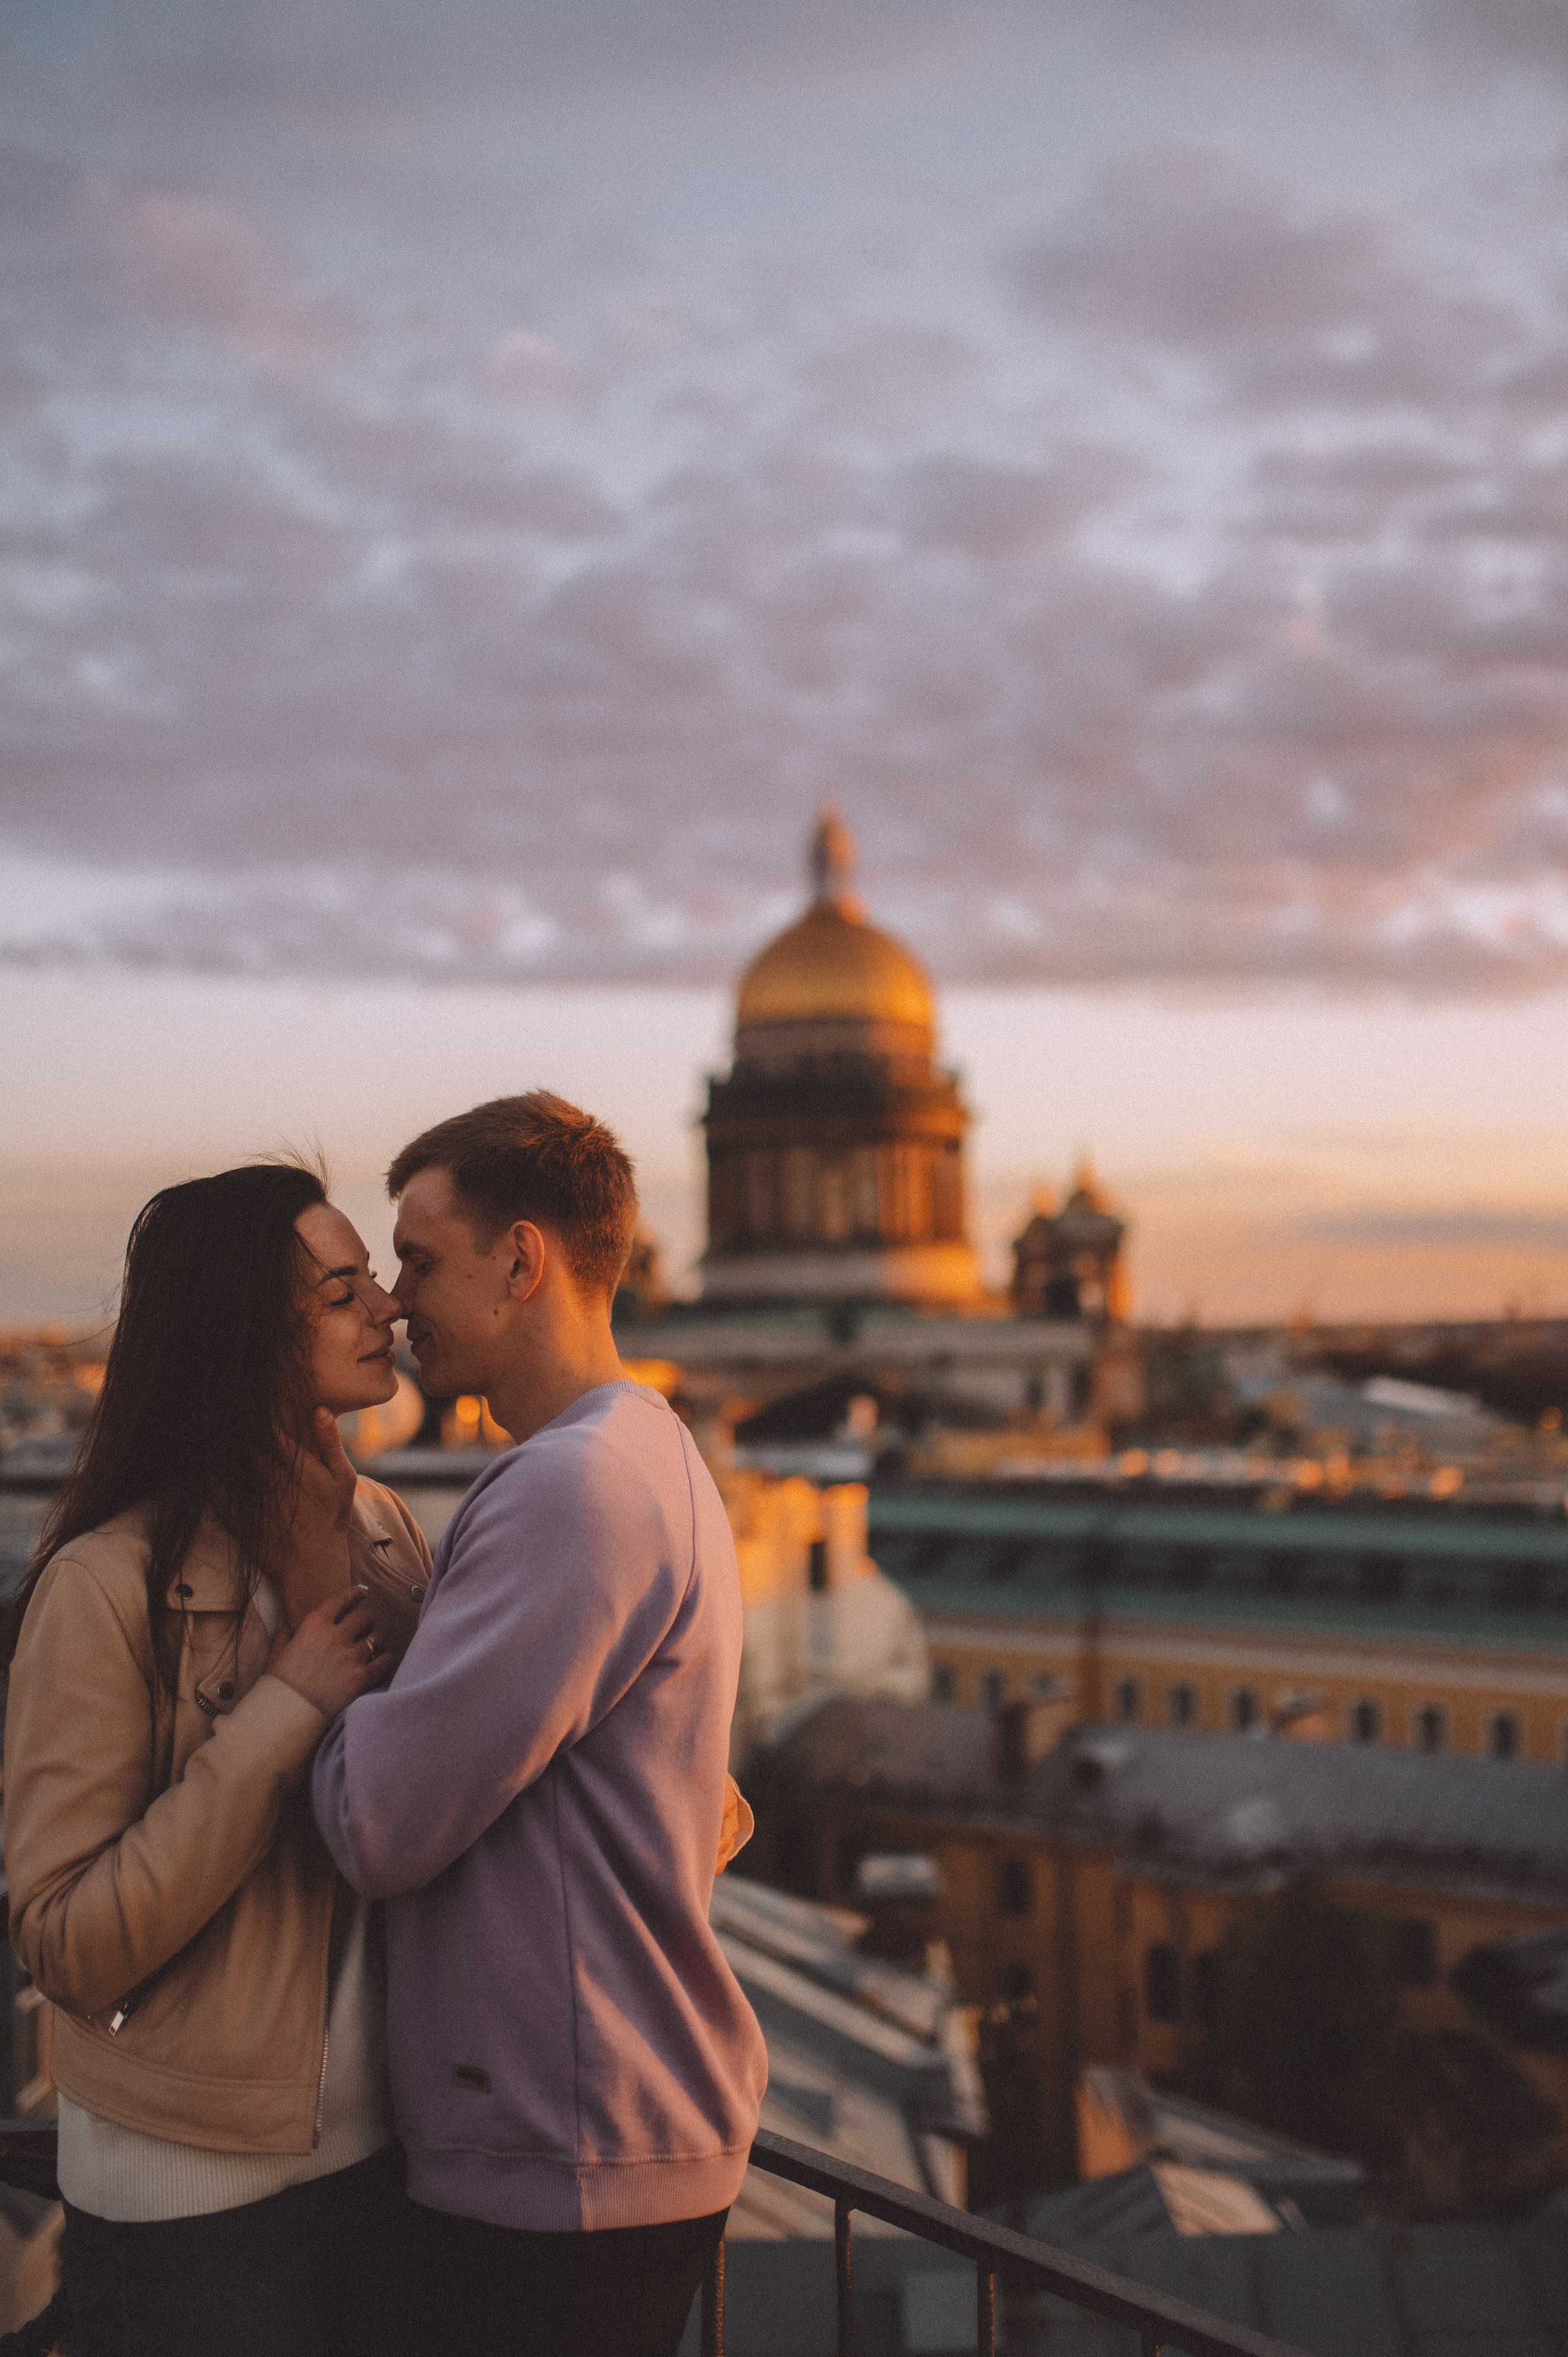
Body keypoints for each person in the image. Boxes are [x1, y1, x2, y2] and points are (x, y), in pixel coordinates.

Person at [302, 1092, 768, 2357]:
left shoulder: (571, 1487)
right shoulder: (642, 1451)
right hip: (594, 2134)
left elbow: (375, 1823)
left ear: (521, 1260)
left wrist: (309, 1653)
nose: (395, 1302)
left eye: (419, 1261)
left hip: (562, 2157)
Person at [1, 1162, 434, 2357]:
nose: (388, 1307)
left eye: (373, 1280)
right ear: (243, 1333)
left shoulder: (386, 1532)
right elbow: (66, 1943)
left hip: (389, 2170)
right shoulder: (104, 1585)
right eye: (342, 1292)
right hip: (192, 2207)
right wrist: (284, 1709)